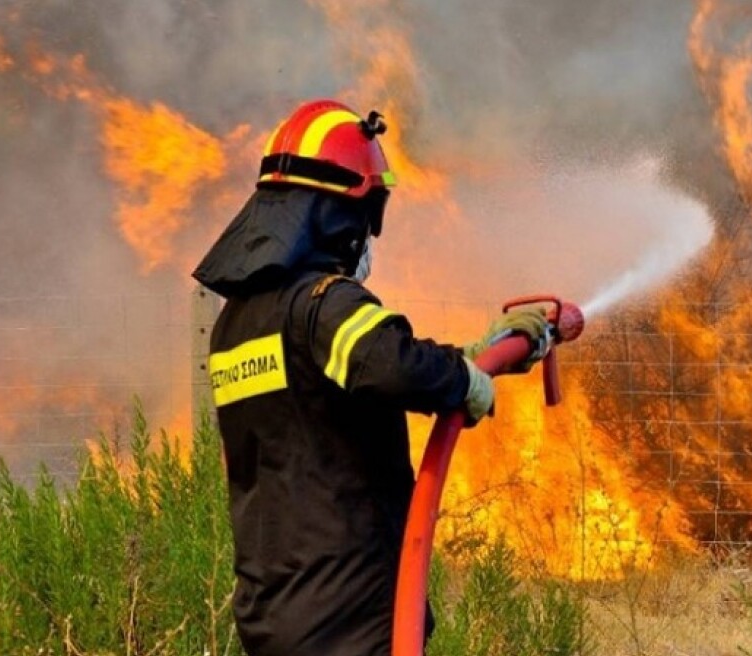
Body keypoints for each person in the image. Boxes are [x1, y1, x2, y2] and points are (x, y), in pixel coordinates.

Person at [191, 99, 548, 656]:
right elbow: (393, 363)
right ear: (338, 216)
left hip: (274, 613)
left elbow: (353, 374)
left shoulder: (238, 323)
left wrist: (473, 356)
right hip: (349, 613)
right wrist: (467, 381)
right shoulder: (322, 304)